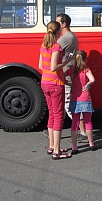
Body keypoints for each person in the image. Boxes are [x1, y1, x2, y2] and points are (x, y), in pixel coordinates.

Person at [39, 21, 73, 160]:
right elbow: (54, 67)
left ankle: (52, 146)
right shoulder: (56, 46)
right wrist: (66, 61)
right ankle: (57, 151)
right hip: (55, 83)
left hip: (45, 82)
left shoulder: (43, 45)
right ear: (59, 32)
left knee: (52, 114)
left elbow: (41, 65)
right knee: (59, 116)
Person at [56, 13, 87, 142]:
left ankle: (83, 132)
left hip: (66, 74)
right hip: (69, 72)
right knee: (64, 103)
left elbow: (52, 48)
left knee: (69, 104)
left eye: (57, 22)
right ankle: (56, 127)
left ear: (63, 24)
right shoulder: (72, 36)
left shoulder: (64, 39)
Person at [65, 50, 96, 154]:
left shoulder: (71, 70)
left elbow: (62, 76)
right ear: (85, 59)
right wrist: (87, 85)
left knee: (75, 123)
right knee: (88, 122)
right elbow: (92, 79)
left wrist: (69, 83)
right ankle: (91, 144)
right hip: (85, 98)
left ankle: (74, 147)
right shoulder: (86, 70)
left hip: (75, 99)